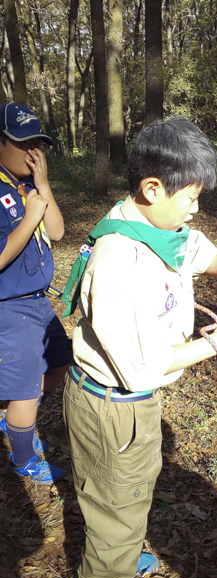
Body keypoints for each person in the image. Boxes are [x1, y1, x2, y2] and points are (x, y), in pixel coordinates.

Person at [62, 116, 217, 578]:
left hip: (132, 404)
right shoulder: (121, 260)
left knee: (130, 494)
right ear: (153, 188)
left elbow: (194, 252)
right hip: (115, 406)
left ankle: (122, 540)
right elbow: (142, 366)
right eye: (192, 198)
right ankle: (106, 577)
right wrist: (216, 344)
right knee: (115, 511)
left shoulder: (156, 225)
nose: (196, 210)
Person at [0, 103, 71, 483]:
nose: (32, 154)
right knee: (26, 391)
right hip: (9, 309)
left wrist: (42, 187)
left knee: (62, 361)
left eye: (37, 145)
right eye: (22, 142)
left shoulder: (26, 184)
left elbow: (57, 233)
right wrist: (29, 218)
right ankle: (24, 460)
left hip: (38, 303)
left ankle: (14, 416)